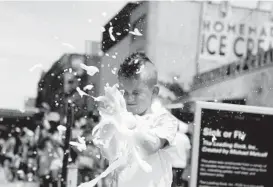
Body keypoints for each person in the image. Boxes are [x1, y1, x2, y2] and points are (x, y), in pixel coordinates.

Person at [82, 52, 190, 187]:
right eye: (124, 92)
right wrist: (110, 122)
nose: (129, 99)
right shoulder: (118, 119)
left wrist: (126, 121)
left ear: (154, 92)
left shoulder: (164, 119)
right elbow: (108, 152)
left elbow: (150, 146)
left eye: (136, 93)